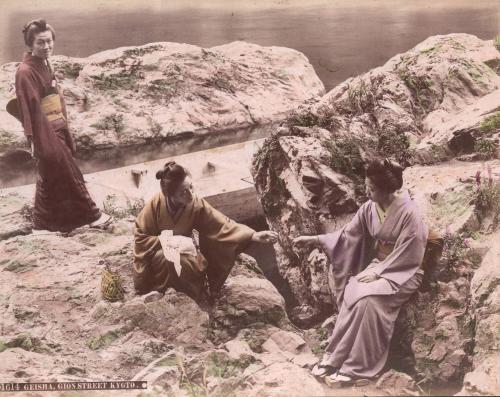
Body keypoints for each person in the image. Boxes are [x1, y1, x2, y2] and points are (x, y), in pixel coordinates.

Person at [293, 158, 428, 386]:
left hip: (405, 271)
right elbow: (347, 235)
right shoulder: (369, 208)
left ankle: (359, 366)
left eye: (372, 189)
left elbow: (412, 252)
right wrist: (314, 240)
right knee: (353, 291)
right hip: (380, 267)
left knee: (369, 302)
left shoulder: (409, 213)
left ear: (387, 189)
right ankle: (335, 357)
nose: (367, 192)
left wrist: (381, 272)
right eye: (366, 186)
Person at [11, 19, 110, 232]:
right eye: (40, 43)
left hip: (57, 127)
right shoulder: (24, 71)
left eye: (49, 41)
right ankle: (93, 215)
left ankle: (42, 224)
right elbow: (33, 109)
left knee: (48, 179)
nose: (46, 47)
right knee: (69, 172)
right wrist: (41, 141)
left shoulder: (45, 63)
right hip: (44, 130)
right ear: (30, 45)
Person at [133, 161, 278, 301]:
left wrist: (253, 235)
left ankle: (191, 293)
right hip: (161, 260)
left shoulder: (195, 204)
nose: (190, 195)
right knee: (168, 257)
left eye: (191, 187)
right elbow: (141, 238)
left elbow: (220, 225)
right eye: (182, 193)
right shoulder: (155, 206)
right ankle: (162, 290)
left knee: (184, 260)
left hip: (187, 254)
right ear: (169, 195)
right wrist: (166, 242)